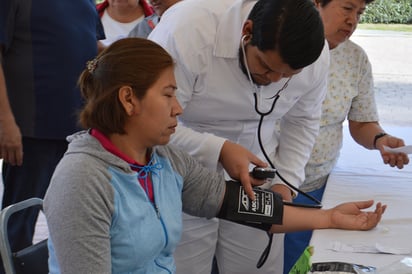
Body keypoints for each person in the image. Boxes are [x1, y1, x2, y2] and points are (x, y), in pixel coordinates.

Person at [43, 37, 386, 274]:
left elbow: (239, 205)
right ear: (128, 99)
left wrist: (327, 218)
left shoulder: (163, 160)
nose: (178, 108)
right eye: (168, 95)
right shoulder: (82, 181)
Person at [148, 0, 329, 273]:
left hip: (257, 181)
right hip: (180, 171)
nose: (274, 80)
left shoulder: (316, 55)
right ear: (247, 31)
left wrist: (285, 183)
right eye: (267, 68)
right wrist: (219, 149)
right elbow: (151, 125)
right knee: (182, 267)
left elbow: (302, 121)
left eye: (288, 76)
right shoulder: (188, 29)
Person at [282, 0, 410, 272]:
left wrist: (380, 140)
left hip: (318, 187)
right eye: (346, 9)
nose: (353, 20)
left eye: (360, 13)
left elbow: (362, 122)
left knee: (302, 260)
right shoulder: (281, 48)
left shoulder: (355, 58)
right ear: (317, 4)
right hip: (267, 185)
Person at [0, 1, 104, 273]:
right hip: (31, 134)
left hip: (81, 135)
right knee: (17, 227)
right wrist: (5, 122)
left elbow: (92, 52)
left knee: (76, 224)